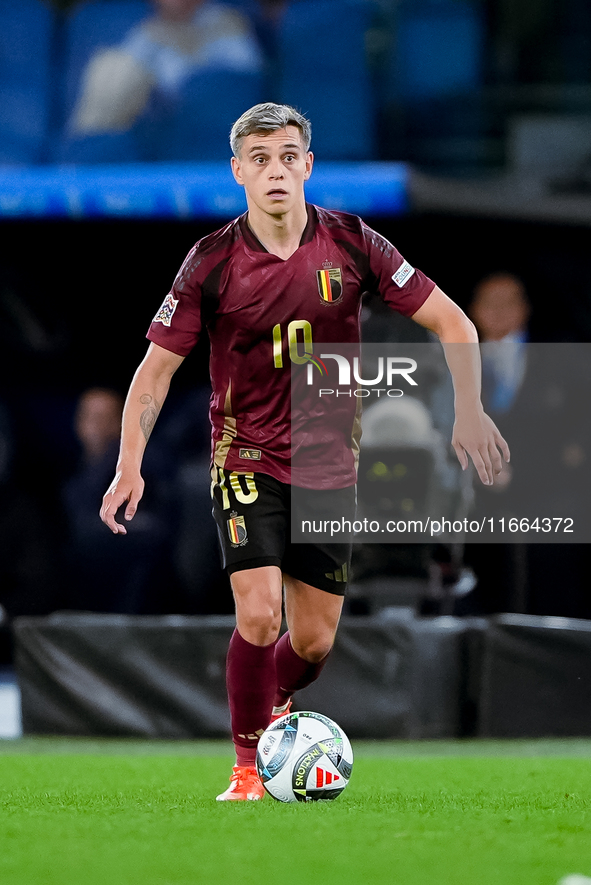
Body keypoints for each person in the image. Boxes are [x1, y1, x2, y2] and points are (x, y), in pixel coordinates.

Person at [100, 102, 509, 800]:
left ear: (307, 166)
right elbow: (155, 369)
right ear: (238, 172)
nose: (276, 170)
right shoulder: (211, 261)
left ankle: (269, 693)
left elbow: (454, 322)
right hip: (245, 457)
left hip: (328, 467)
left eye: (288, 156)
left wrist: (467, 412)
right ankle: (245, 765)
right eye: (259, 159)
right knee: (258, 615)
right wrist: (128, 460)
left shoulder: (353, 244)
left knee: (313, 642)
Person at [70, 0, 263, 136]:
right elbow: (117, 90)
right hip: (155, 137)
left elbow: (240, 84)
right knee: (110, 68)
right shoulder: (147, 34)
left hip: (214, 137)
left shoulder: (227, 23)